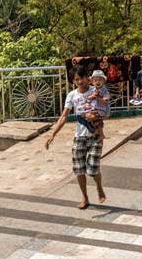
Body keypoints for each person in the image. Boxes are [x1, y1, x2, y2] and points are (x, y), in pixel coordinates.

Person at [45, 65, 108, 209]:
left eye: (82, 78)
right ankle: (85, 197)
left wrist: (98, 116)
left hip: (95, 135)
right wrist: (53, 134)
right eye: (77, 79)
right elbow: (64, 116)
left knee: (93, 169)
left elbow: (106, 109)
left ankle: (99, 187)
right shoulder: (72, 95)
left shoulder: (97, 91)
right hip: (79, 136)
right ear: (74, 81)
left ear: (88, 78)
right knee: (79, 169)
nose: (80, 82)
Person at [87, 70, 111, 142]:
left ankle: (99, 133)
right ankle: (99, 133)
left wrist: (98, 98)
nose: (98, 82)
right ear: (92, 82)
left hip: (101, 110)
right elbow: (88, 98)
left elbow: (106, 101)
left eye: (100, 80)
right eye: (95, 80)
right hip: (94, 108)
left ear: (103, 81)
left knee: (94, 119)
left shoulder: (104, 90)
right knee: (95, 121)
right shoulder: (92, 90)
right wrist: (93, 96)